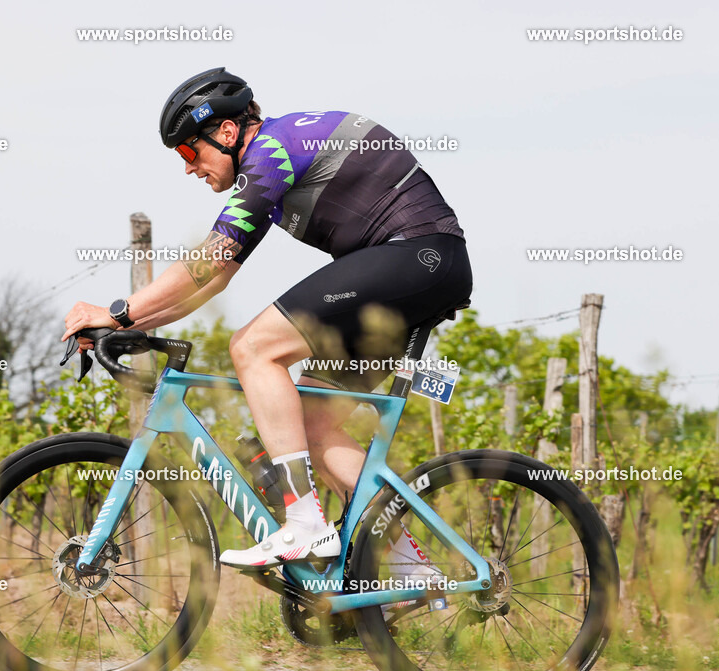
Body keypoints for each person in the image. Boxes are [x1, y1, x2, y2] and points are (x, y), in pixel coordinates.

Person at [62, 67, 472, 570]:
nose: (189, 169)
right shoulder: (268, 172)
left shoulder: (272, 151)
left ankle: (305, 523)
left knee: (254, 348)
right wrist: (126, 325)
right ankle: (414, 569)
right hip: (418, 269)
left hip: (416, 255)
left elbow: (208, 260)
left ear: (227, 132)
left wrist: (117, 310)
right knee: (312, 421)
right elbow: (213, 280)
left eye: (190, 152)